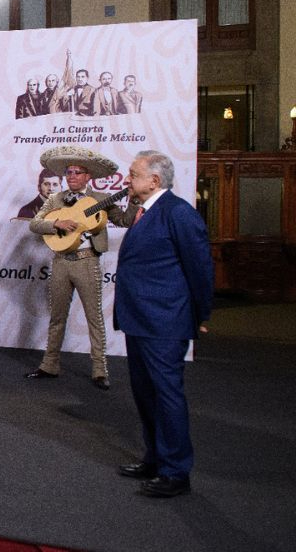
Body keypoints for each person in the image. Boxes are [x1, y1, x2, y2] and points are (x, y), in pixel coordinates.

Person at [115, 150, 212, 498]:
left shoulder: (179, 213)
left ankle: (176, 471)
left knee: (167, 394)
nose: (128, 179)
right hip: (140, 320)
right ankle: (155, 457)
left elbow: (199, 269)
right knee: (145, 394)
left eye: (133, 173)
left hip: (165, 322)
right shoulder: (145, 211)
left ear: (154, 180)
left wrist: (201, 314)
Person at [25, 147, 137, 390]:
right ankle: (49, 364)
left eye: (78, 172)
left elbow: (125, 221)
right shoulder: (55, 199)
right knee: (57, 317)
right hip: (61, 262)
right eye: (69, 172)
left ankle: (99, 370)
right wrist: (56, 223)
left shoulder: (99, 199)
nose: (72, 176)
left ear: (88, 177)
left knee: (94, 317)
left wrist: (134, 198)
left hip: (88, 261)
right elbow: (35, 224)